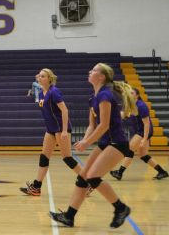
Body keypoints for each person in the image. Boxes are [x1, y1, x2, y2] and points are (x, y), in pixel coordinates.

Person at [49, 63, 133, 228]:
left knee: (93, 177)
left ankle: (121, 208)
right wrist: (84, 140)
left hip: (117, 142)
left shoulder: (105, 96)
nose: (90, 71)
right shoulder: (93, 98)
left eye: (94, 70)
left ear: (101, 77)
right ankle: (69, 216)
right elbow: (92, 126)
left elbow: (105, 125)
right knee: (83, 178)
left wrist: (87, 142)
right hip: (104, 143)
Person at [20, 69, 82, 196]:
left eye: (43, 76)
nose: (40, 78)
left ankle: (88, 181)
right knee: (44, 157)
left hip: (60, 128)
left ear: (49, 78)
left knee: (67, 158)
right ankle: (36, 187)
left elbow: (65, 110)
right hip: (50, 129)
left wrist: (64, 131)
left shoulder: (54, 92)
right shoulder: (41, 92)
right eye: (39, 76)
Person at [110, 87, 169, 181]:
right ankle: (162, 172)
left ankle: (119, 172)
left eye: (132, 93)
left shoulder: (141, 106)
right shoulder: (130, 105)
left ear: (137, 95)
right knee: (143, 155)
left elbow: (147, 123)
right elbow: (122, 115)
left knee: (129, 150)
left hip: (144, 131)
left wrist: (144, 139)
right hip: (139, 131)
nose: (130, 95)